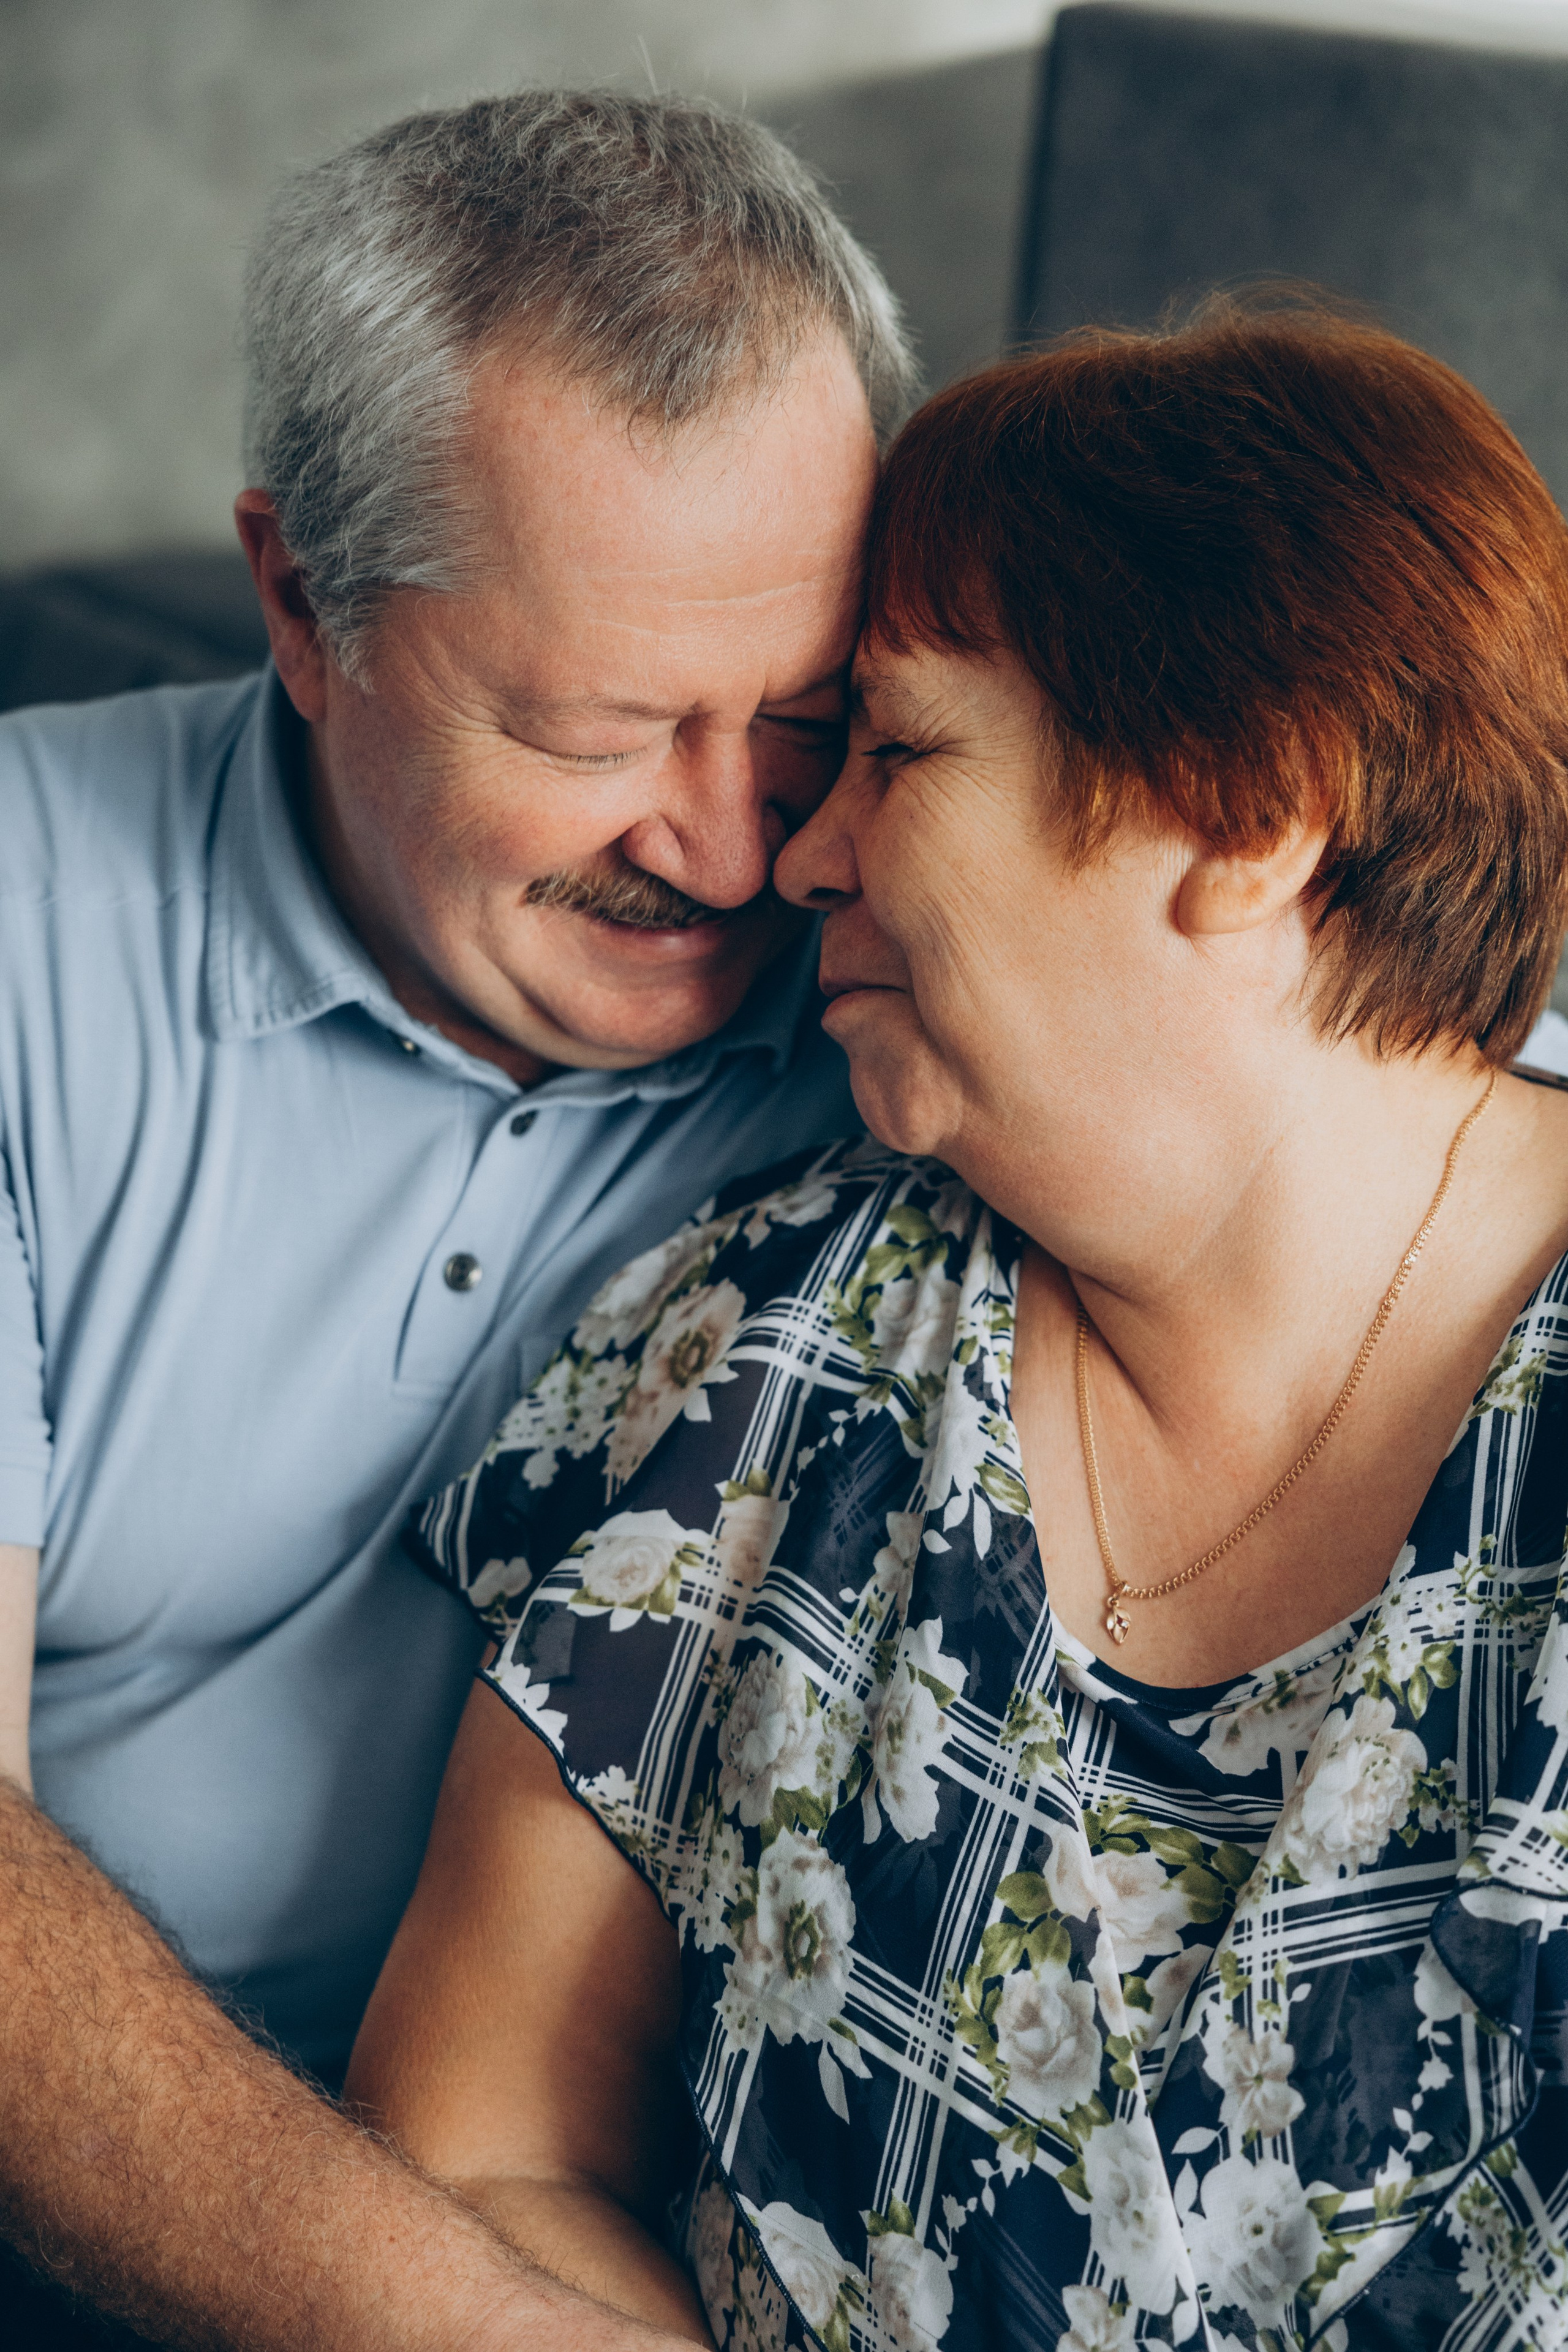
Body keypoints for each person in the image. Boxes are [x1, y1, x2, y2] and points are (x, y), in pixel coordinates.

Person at [353, 297, 1568, 2352]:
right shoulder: (760, 1348)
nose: (792, 850)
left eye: (898, 749)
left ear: (1252, 803)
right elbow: (480, 2146)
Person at [0, 89, 915, 2348]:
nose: (734, 852)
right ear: (305, 604)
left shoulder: (905, 923)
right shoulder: (21, 938)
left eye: (804, 713)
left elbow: (1395, 1066)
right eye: (603, 729)